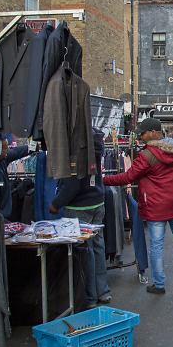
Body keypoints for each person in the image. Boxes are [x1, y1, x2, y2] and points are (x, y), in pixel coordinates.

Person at [103, 118, 173, 294]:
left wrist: (103, 180)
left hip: (156, 207)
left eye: (143, 133)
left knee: (156, 245)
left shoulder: (147, 155)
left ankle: (159, 284)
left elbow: (127, 177)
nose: (141, 137)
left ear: (153, 133)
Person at [49, 128, 110, 308]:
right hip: (97, 201)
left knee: (85, 251)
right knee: (97, 248)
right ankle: (102, 291)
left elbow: (71, 184)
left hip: (79, 206)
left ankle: (89, 297)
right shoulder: (96, 145)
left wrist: (56, 203)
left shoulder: (74, 149)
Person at [0, 138, 33, 220]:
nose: (8, 149)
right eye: (5, 148)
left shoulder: (2, 161)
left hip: (7, 217)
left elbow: (16, 152)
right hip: (1, 221)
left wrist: (33, 146)